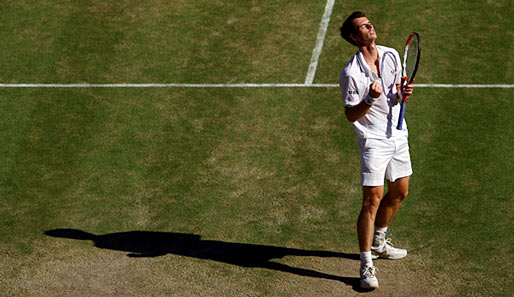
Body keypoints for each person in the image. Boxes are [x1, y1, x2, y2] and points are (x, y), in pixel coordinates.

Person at [339, 11, 415, 289]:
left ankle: (379, 240)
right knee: (372, 200)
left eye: (370, 23)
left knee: (400, 191)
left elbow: (396, 90)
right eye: (364, 26)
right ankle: (366, 264)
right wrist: (370, 99)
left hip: (398, 133)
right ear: (354, 37)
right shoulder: (351, 74)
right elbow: (350, 115)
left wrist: (402, 93)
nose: (371, 27)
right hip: (373, 140)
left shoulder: (392, 55)